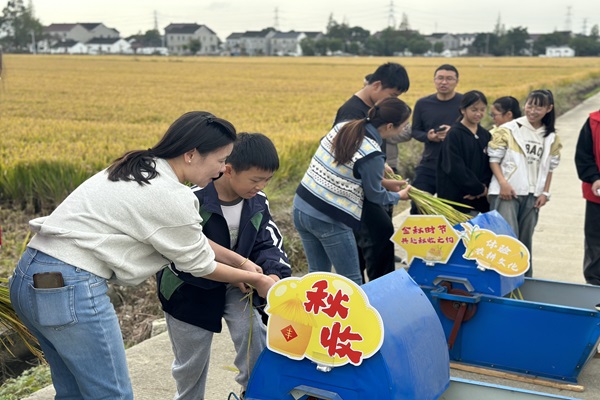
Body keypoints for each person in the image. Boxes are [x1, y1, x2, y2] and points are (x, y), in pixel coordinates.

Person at [8, 111, 276, 399]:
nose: (223, 169)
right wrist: (255, 279)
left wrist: (242, 262)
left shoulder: (141, 167)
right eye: (221, 160)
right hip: (69, 287)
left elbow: (191, 241)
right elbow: (199, 264)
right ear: (191, 154)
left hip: (31, 276)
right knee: (112, 395)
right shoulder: (171, 195)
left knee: (73, 392)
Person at [157, 132, 291, 400]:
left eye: (267, 180)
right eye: (255, 179)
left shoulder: (257, 202)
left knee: (254, 341)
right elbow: (183, 256)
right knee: (190, 365)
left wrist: (274, 273)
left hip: (239, 285)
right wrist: (242, 274)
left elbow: (268, 242)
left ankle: (252, 393)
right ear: (228, 170)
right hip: (188, 289)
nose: (261, 186)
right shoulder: (192, 200)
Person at [294, 97, 412, 285]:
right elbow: (375, 196)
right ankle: (355, 315)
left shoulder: (346, 127)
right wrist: (399, 196)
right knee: (350, 280)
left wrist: (382, 180)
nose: (404, 130)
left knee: (317, 276)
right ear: (390, 126)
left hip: (302, 207)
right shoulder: (372, 152)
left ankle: (315, 314)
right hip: (328, 218)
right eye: (404, 126)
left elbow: (343, 167)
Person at [333, 62, 411, 282]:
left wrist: (382, 175)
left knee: (374, 243)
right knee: (375, 240)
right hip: (359, 194)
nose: (392, 101)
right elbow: (348, 159)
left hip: (370, 187)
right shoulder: (351, 112)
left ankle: (375, 292)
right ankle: (378, 292)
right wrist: (385, 185)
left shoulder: (369, 109)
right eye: (392, 95)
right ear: (376, 85)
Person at [488, 90, 562, 277]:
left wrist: (545, 193)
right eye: (530, 105)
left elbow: (549, 168)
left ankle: (524, 282)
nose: (533, 110)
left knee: (524, 241)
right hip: (507, 193)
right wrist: (503, 184)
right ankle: (502, 283)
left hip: (532, 196)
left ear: (548, 109)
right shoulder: (510, 129)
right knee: (506, 240)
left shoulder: (550, 136)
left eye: (539, 106)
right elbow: (494, 160)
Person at [410, 64, 464, 214]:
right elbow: (415, 131)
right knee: (418, 206)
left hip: (455, 167)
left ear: (456, 81)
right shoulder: (423, 103)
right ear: (434, 80)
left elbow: (473, 130)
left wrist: (452, 133)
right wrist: (428, 136)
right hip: (429, 163)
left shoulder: (464, 103)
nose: (444, 82)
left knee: (452, 211)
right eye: (440, 78)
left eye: (449, 79)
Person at [437, 90, 493, 215]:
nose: (478, 113)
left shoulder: (485, 135)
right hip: (459, 198)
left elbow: (490, 165)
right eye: (474, 110)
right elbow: (455, 167)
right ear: (463, 110)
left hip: (481, 199)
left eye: (482, 110)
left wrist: (484, 189)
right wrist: (476, 188)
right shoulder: (454, 134)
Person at [575, 109, 600, 286]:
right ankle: (594, 284)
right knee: (595, 242)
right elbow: (583, 156)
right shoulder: (593, 122)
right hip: (597, 195)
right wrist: (595, 177)